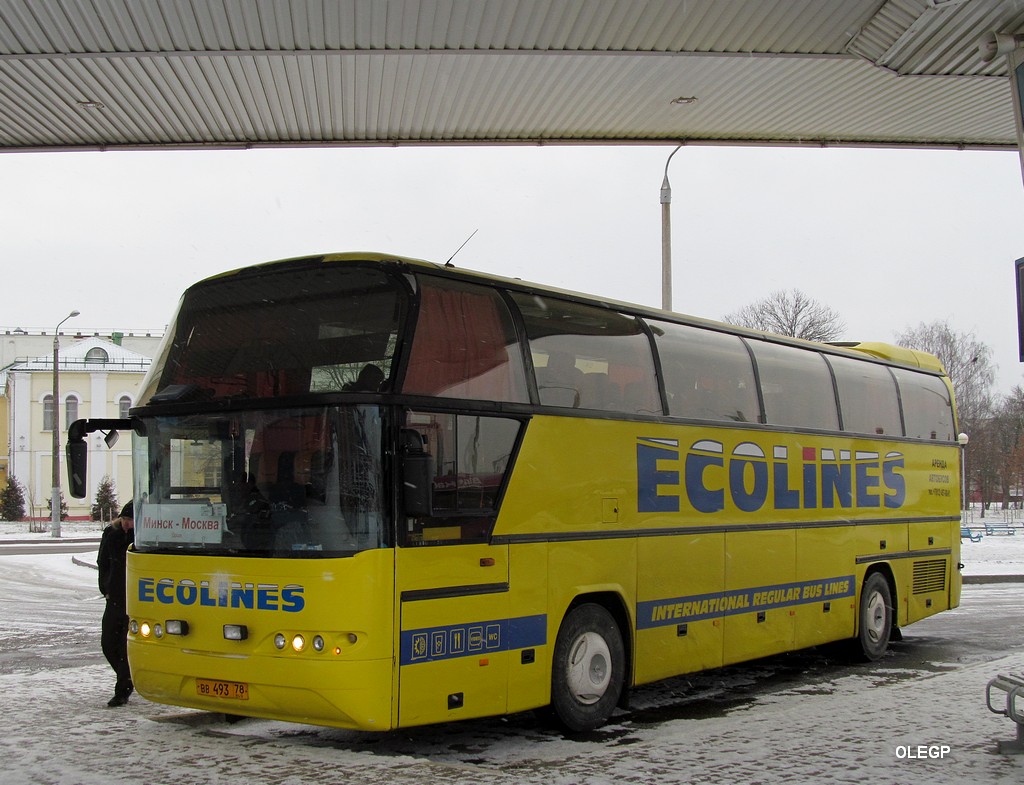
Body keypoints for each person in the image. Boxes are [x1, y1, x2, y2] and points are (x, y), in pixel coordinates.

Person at [98, 500, 134, 707]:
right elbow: (102, 562)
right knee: (108, 645)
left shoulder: (140, 537)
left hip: (134, 598)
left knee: (124, 646)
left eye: (131, 520)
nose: (128, 524)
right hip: (114, 597)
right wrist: (105, 589)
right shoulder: (111, 534)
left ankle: (123, 689)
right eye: (126, 519)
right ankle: (127, 677)